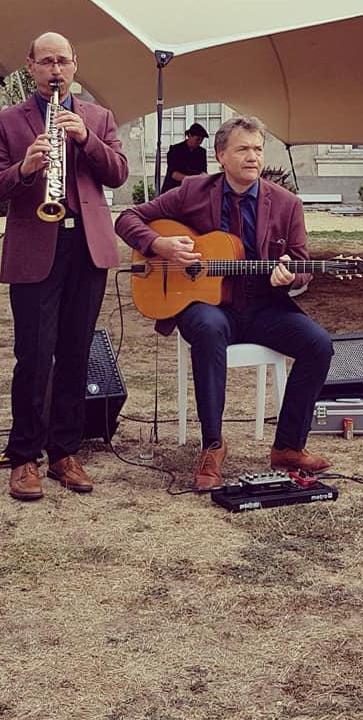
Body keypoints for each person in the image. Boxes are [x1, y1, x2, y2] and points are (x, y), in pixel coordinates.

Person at [115, 116, 333, 490]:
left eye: (258, 149)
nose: (253, 157)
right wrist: (159, 244)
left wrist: (291, 275)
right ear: (220, 156)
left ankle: (288, 447)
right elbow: (128, 217)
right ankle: (213, 445)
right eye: (243, 149)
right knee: (208, 328)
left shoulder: (286, 204)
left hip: (264, 306)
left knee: (319, 345)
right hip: (209, 307)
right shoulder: (194, 191)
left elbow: (300, 261)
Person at [0, 32, 128, 501]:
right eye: (46, 62)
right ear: (31, 67)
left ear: (75, 65)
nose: (56, 70)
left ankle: (65, 450)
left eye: (63, 61)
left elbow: (119, 173)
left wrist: (86, 140)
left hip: (87, 248)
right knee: (34, 356)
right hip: (35, 249)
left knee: (75, 353)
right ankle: (25, 455)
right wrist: (24, 168)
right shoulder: (6, 122)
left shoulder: (98, 117)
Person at [160, 122, 208, 194]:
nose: (199, 143)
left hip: (192, 190)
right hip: (174, 189)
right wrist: (192, 180)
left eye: (201, 140)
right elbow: (174, 174)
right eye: (197, 139)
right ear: (189, 135)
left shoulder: (201, 152)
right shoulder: (176, 150)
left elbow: (203, 172)